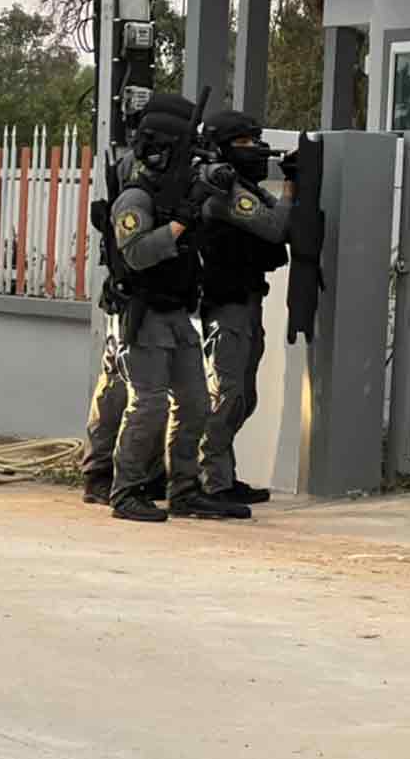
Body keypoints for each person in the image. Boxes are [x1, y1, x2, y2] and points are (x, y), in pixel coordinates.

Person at [108, 94, 248, 523]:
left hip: (177, 313)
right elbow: (136, 254)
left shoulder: (180, 192)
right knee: (148, 405)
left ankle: (185, 490)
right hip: (145, 314)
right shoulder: (135, 198)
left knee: (195, 404)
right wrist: (179, 223)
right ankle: (125, 491)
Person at [79, 98, 191, 506]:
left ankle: (148, 479)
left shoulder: (166, 176)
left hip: (165, 301)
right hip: (137, 303)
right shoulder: (136, 183)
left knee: (123, 392)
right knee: (135, 398)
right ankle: (113, 480)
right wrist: (180, 223)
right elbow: (137, 251)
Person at [195, 110, 293, 504]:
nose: (254, 149)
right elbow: (275, 228)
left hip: (246, 302)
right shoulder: (222, 191)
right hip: (227, 305)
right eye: (245, 143)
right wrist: (292, 189)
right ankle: (208, 480)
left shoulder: (239, 184)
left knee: (242, 397)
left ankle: (220, 475)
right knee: (229, 394)